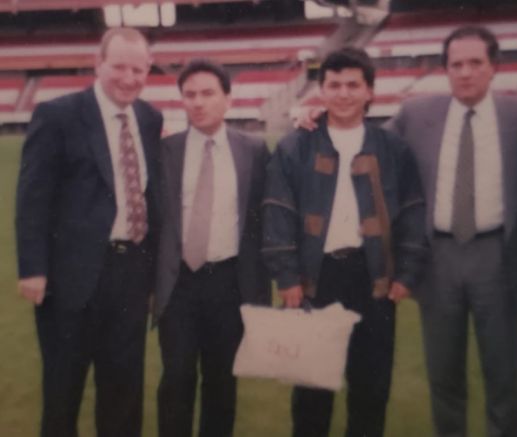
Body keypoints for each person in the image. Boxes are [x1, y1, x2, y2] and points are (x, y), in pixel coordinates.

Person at [384, 26, 517, 437]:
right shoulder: (416, 113)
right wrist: (318, 117)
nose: (466, 72)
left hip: (496, 255)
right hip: (438, 257)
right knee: (443, 373)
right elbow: (366, 144)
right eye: (456, 64)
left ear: (494, 68)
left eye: (476, 63)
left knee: (503, 373)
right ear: (446, 70)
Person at [262, 47, 427, 437]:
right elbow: (277, 211)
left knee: (371, 391)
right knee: (312, 395)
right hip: (315, 278)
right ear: (321, 90)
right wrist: (286, 276)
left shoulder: (392, 148)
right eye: (334, 85)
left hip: (373, 279)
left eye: (353, 85)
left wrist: (407, 272)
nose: (343, 93)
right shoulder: (296, 146)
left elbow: (413, 211)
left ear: (370, 91)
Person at [15, 28, 162, 437]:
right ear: (98, 64)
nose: (129, 78)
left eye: (139, 69)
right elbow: (33, 198)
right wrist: (33, 268)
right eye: (119, 67)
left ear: (149, 70)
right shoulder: (58, 114)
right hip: (70, 280)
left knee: (123, 393)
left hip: (130, 276)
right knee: (63, 394)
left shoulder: (150, 118)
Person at [153, 59, 271, 437]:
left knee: (222, 382)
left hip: (229, 282)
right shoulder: (165, 151)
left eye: (207, 93)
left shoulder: (252, 149)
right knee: (177, 377)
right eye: (189, 95)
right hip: (179, 284)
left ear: (228, 100)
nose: (198, 102)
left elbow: (264, 217)